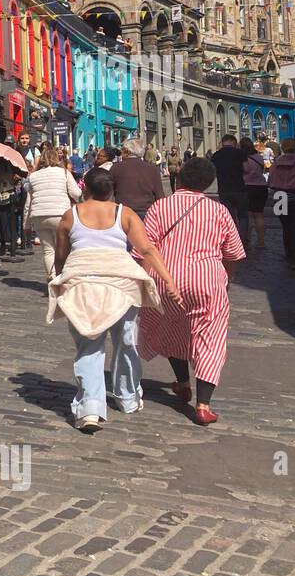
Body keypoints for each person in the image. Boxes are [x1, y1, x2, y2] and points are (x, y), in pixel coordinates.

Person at [49, 169, 181, 430]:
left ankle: (90, 408)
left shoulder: (70, 215)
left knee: (89, 345)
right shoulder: (125, 214)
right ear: (112, 190)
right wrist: (168, 279)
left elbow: (61, 255)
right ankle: (127, 397)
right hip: (122, 285)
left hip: (83, 285)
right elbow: (146, 249)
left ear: (85, 187)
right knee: (126, 342)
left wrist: (58, 277)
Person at [137, 156, 246, 424]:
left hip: (166, 278)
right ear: (209, 183)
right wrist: (226, 279)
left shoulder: (161, 207)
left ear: (180, 177)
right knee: (211, 337)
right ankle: (204, 405)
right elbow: (233, 253)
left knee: (173, 327)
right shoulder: (218, 211)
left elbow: (143, 248)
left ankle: (183, 382)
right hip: (207, 280)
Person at [24, 146, 82, 279]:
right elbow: (76, 193)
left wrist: (26, 225)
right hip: (60, 213)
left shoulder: (33, 176)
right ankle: (64, 276)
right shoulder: (63, 173)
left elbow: (29, 202)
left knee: (48, 250)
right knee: (64, 248)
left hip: (39, 215)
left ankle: (52, 276)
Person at [268, 138, 295, 269]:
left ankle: (288, 254)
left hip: (279, 196)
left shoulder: (276, 163)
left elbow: (270, 180)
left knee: (286, 227)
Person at [110, 138, 163, 220]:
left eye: (122, 150)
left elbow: (109, 193)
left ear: (127, 151)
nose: (121, 153)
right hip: (147, 212)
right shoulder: (152, 169)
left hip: (122, 212)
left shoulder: (116, 168)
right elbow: (160, 196)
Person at [210, 134, 248, 236]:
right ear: (234, 143)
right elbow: (246, 169)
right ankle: (243, 240)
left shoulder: (216, 155)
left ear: (223, 143)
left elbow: (211, 172)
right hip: (239, 188)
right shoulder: (240, 153)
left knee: (230, 217)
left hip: (224, 189)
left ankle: (233, 239)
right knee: (243, 215)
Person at [241, 137, 268, 249]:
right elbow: (263, 170)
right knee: (259, 215)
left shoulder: (243, 159)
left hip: (247, 187)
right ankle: (261, 241)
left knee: (248, 216)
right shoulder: (259, 157)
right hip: (261, 187)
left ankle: (247, 240)